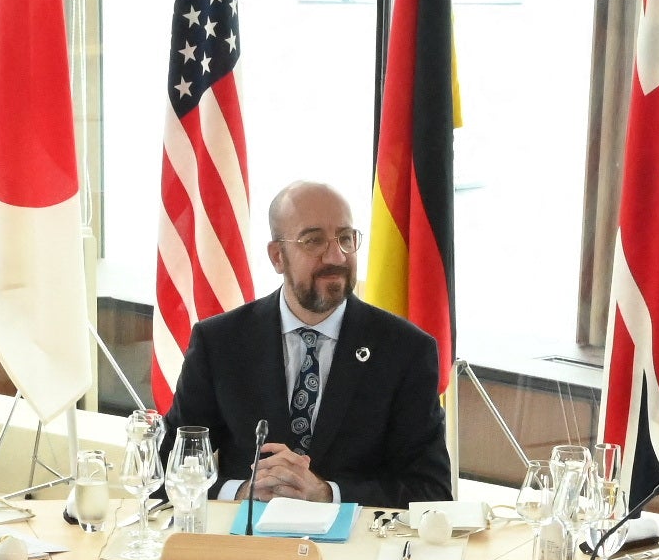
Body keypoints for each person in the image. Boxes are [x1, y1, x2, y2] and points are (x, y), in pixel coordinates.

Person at [161, 180, 456, 510]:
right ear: (277, 257)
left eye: (346, 238)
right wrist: (243, 492)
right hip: (244, 551)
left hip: (352, 555)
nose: (336, 256)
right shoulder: (220, 343)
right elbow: (165, 470)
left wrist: (326, 494)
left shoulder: (405, 351)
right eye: (313, 241)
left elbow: (432, 492)